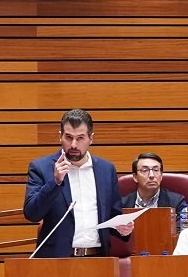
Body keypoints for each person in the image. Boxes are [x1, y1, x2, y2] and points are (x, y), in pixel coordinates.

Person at [23, 109, 133, 258]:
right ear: (60, 137)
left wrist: (122, 228)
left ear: (91, 138)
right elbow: (32, 214)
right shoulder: (41, 168)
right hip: (57, 261)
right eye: (69, 137)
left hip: (98, 258)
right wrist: (55, 182)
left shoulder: (106, 170)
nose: (74, 144)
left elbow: (113, 214)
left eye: (80, 138)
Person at [120, 151, 187, 232]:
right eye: (145, 170)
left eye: (156, 170)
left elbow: (184, 232)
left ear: (161, 175)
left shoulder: (176, 202)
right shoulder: (122, 204)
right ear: (135, 177)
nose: (152, 175)